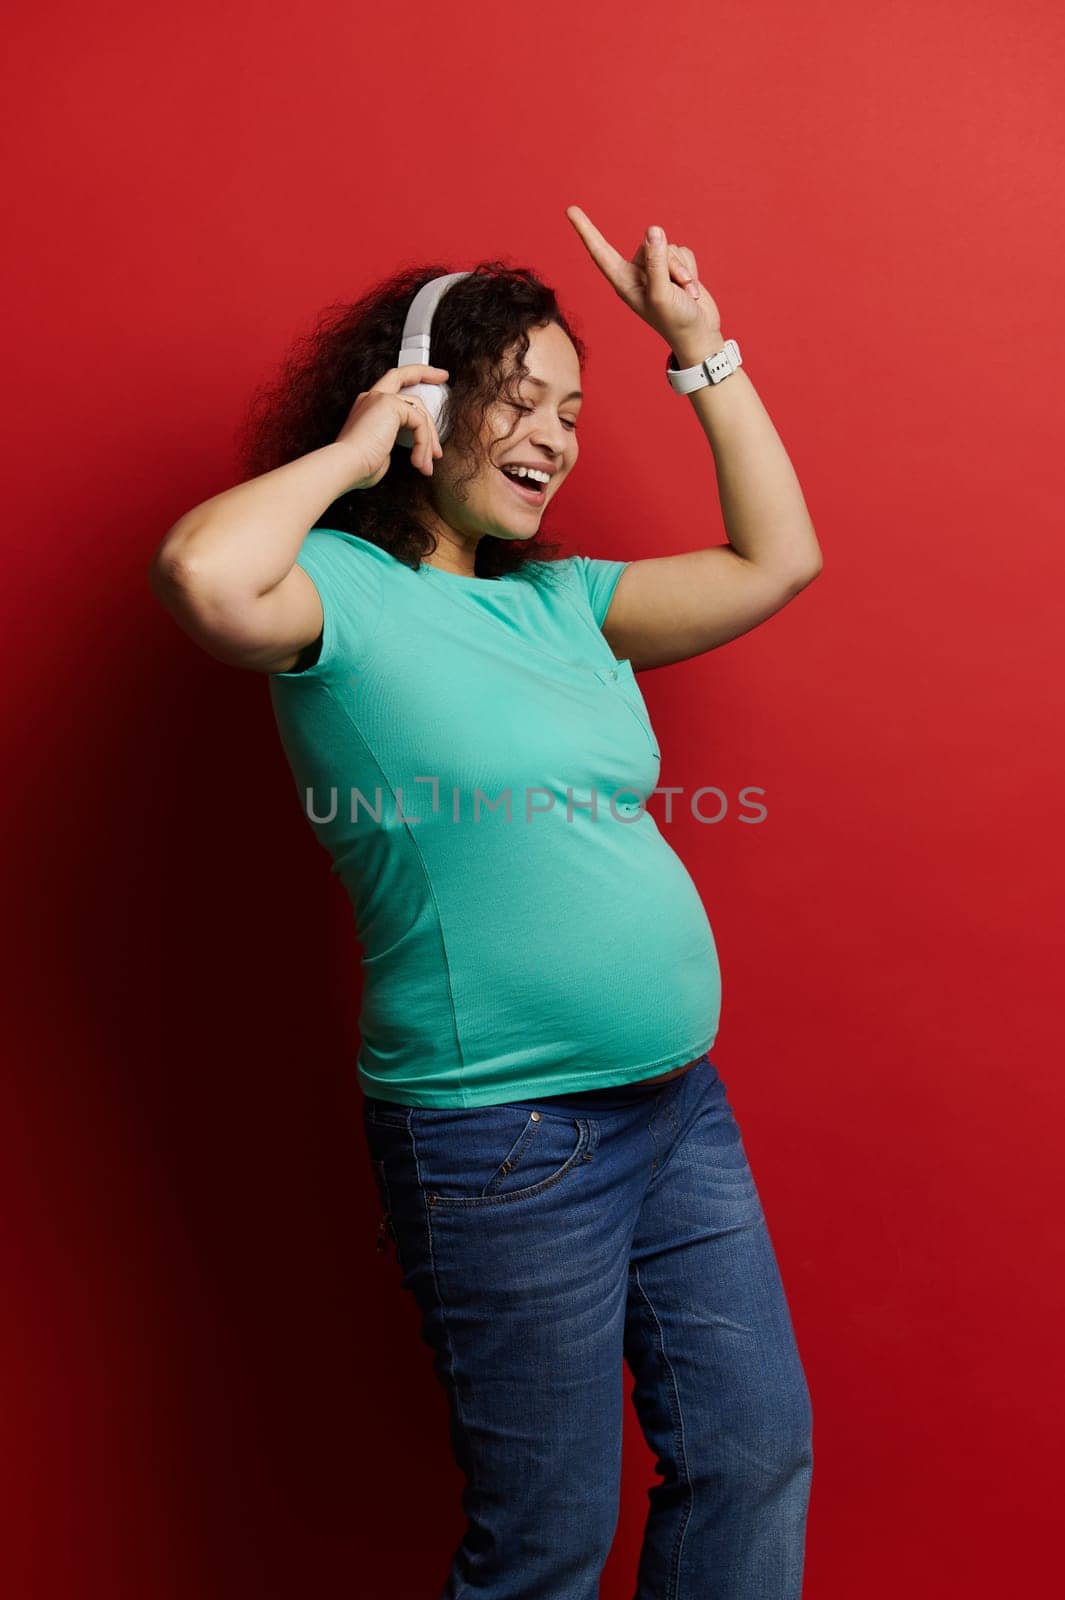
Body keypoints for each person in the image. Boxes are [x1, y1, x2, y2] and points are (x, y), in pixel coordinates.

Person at [148, 206, 823, 1600]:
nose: (556, 436)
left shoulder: (563, 603)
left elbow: (776, 563)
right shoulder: (331, 593)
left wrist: (698, 350)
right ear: (422, 406)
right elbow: (200, 576)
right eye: (520, 401)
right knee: (544, 1547)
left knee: (751, 1459)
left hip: (675, 1109)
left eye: (571, 412)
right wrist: (346, 451)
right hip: (502, 1141)